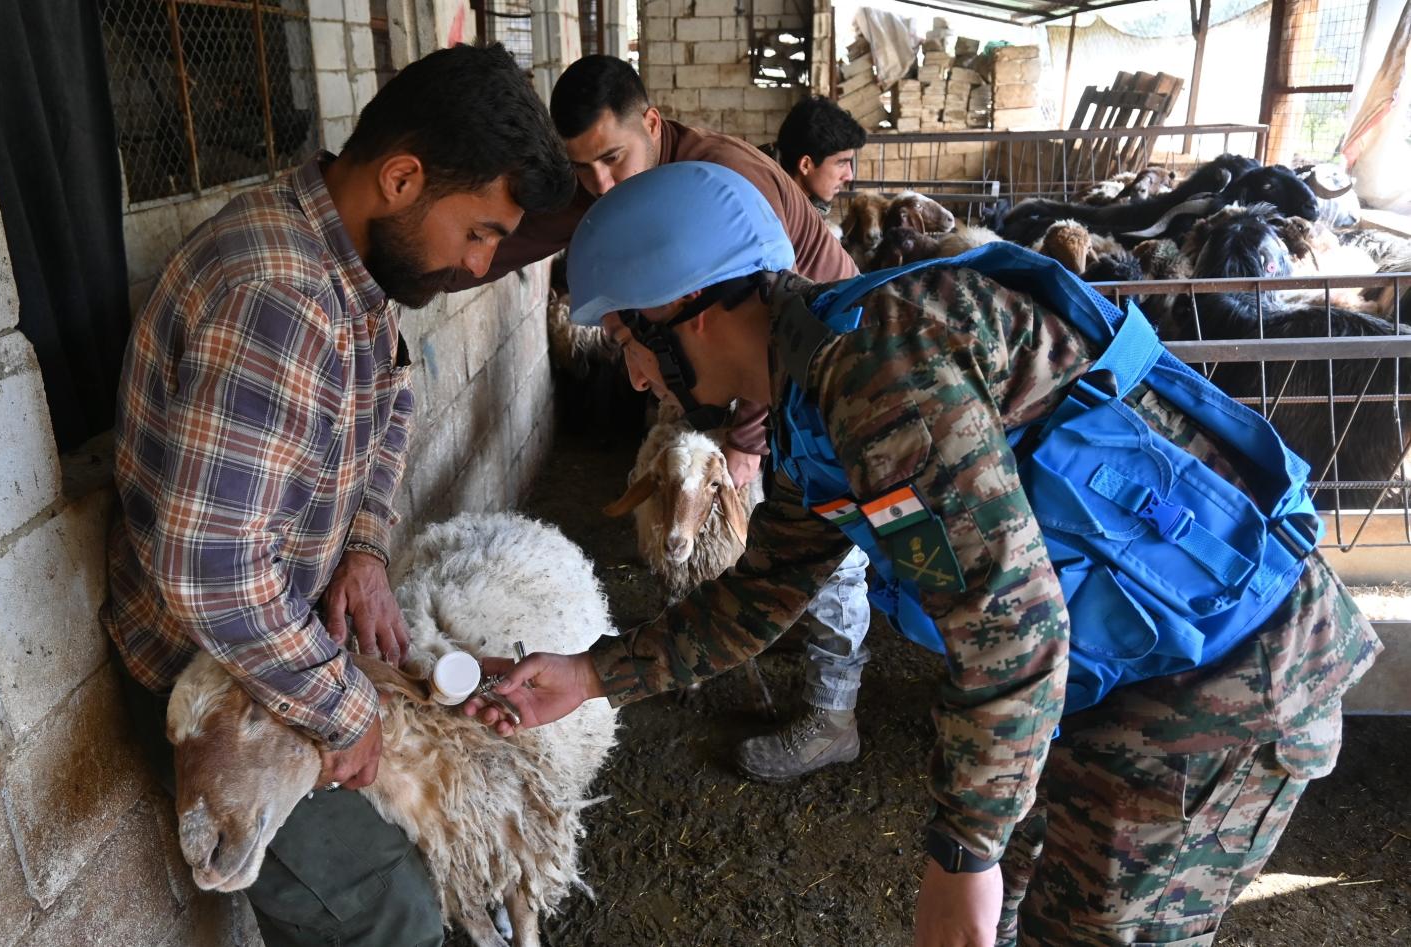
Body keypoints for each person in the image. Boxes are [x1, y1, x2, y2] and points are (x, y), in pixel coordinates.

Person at [464, 161, 1382, 947]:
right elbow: (759, 594)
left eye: (629, 339)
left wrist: (962, 853)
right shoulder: (814, 397)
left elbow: (1010, 626)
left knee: (1090, 922)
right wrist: (590, 675)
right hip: (1123, 666)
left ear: (684, 313)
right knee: (1025, 892)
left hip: (1229, 678)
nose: (630, 372)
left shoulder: (876, 374)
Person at [100, 44, 573, 947]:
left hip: (279, 635)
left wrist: (361, 544)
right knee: (389, 911)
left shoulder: (355, 271)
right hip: (215, 676)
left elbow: (389, 402)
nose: (479, 267)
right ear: (402, 177)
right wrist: (343, 710)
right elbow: (210, 573)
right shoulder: (276, 296)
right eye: (477, 232)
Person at [451, 53, 874, 781]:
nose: (602, 186)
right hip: (759, 381)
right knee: (784, 541)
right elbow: (755, 597)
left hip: (821, 366)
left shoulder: (726, 187)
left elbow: (766, 319)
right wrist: (589, 676)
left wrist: (745, 445)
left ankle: (832, 715)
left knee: (838, 549)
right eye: (586, 169)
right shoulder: (624, 189)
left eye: (613, 158)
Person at [774, 95, 867, 215]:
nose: (849, 176)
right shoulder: (765, 208)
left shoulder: (809, 202)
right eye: (841, 163)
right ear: (806, 165)